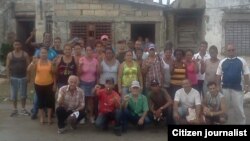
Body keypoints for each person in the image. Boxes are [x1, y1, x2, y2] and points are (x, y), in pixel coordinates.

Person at [216, 43, 250, 124]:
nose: (231, 51)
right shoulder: (222, 62)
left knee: (238, 107)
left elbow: (246, 74)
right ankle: (224, 122)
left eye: (233, 50)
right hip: (225, 88)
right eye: (229, 50)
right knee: (225, 106)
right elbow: (218, 75)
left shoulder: (241, 61)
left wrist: (247, 85)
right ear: (226, 52)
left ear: (235, 50)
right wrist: (218, 86)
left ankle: (241, 123)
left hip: (238, 88)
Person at [27, 47, 56, 124]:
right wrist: (32, 63)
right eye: (42, 53)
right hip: (38, 84)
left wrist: (55, 84)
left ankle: (49, 118)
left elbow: (54, 74)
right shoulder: (36, 61)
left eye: (45, 53)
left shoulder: (50, 62)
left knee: (50, 102)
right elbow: (28, 69)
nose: (43, 54)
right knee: (40, 102)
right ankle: (42, 118)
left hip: (49, 84)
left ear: (47, 54)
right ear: (39, 54)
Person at [6, 40, 30, 117]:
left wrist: (28, 76)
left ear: (21, 45)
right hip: (13, 77)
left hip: (23, 77)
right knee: (14, 95)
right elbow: (7, 66)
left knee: (23, 95)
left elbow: (28, 67)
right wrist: (8, 77)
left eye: (18, 44)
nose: (17, 46)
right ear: (13, 45)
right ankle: (15, 109)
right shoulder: (10, 55)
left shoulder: (25, 54)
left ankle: (23, 109)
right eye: (15, 44)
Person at [78, 46, 99, 123]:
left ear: (92, 52)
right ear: (85, 51)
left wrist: (97, 83)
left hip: (92, 83)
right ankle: (82, 116)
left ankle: (90, 116)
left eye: (90, 50)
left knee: (91, 101)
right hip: (83, 82)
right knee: (83, 100)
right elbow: (79, 73)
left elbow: (97, 74)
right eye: (87, 50)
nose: (89, 51)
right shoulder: (81, 59)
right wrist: (80, 65)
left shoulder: (95, 61)